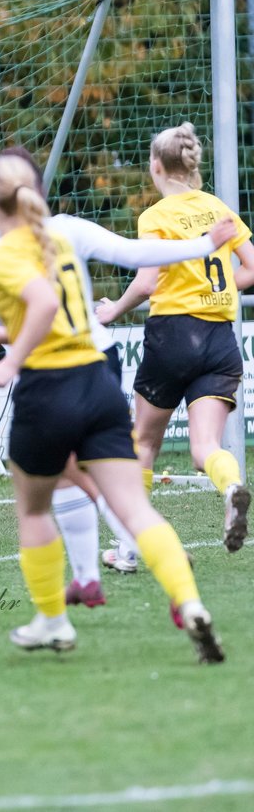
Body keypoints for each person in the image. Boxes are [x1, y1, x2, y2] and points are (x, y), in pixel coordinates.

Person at [0, 152, 225, 663]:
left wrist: (7, 358)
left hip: (47, 388)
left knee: (34, 507)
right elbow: (134, 255)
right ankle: (189, 601)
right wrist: (204, 243)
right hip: (98, 381)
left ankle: (52, 621)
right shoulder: (62, 231)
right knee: (134, 507)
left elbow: (41, 306)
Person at [96, 122, 254, 565]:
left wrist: (114, 309)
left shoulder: (155, 216)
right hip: (220, 339)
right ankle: (232, 488)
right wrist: (215, 293)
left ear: (155, 166)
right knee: (206, 449)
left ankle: (129, 549)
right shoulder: (217, 207)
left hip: (173, 335)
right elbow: (251, 267)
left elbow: (147, 282)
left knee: (143, 442)